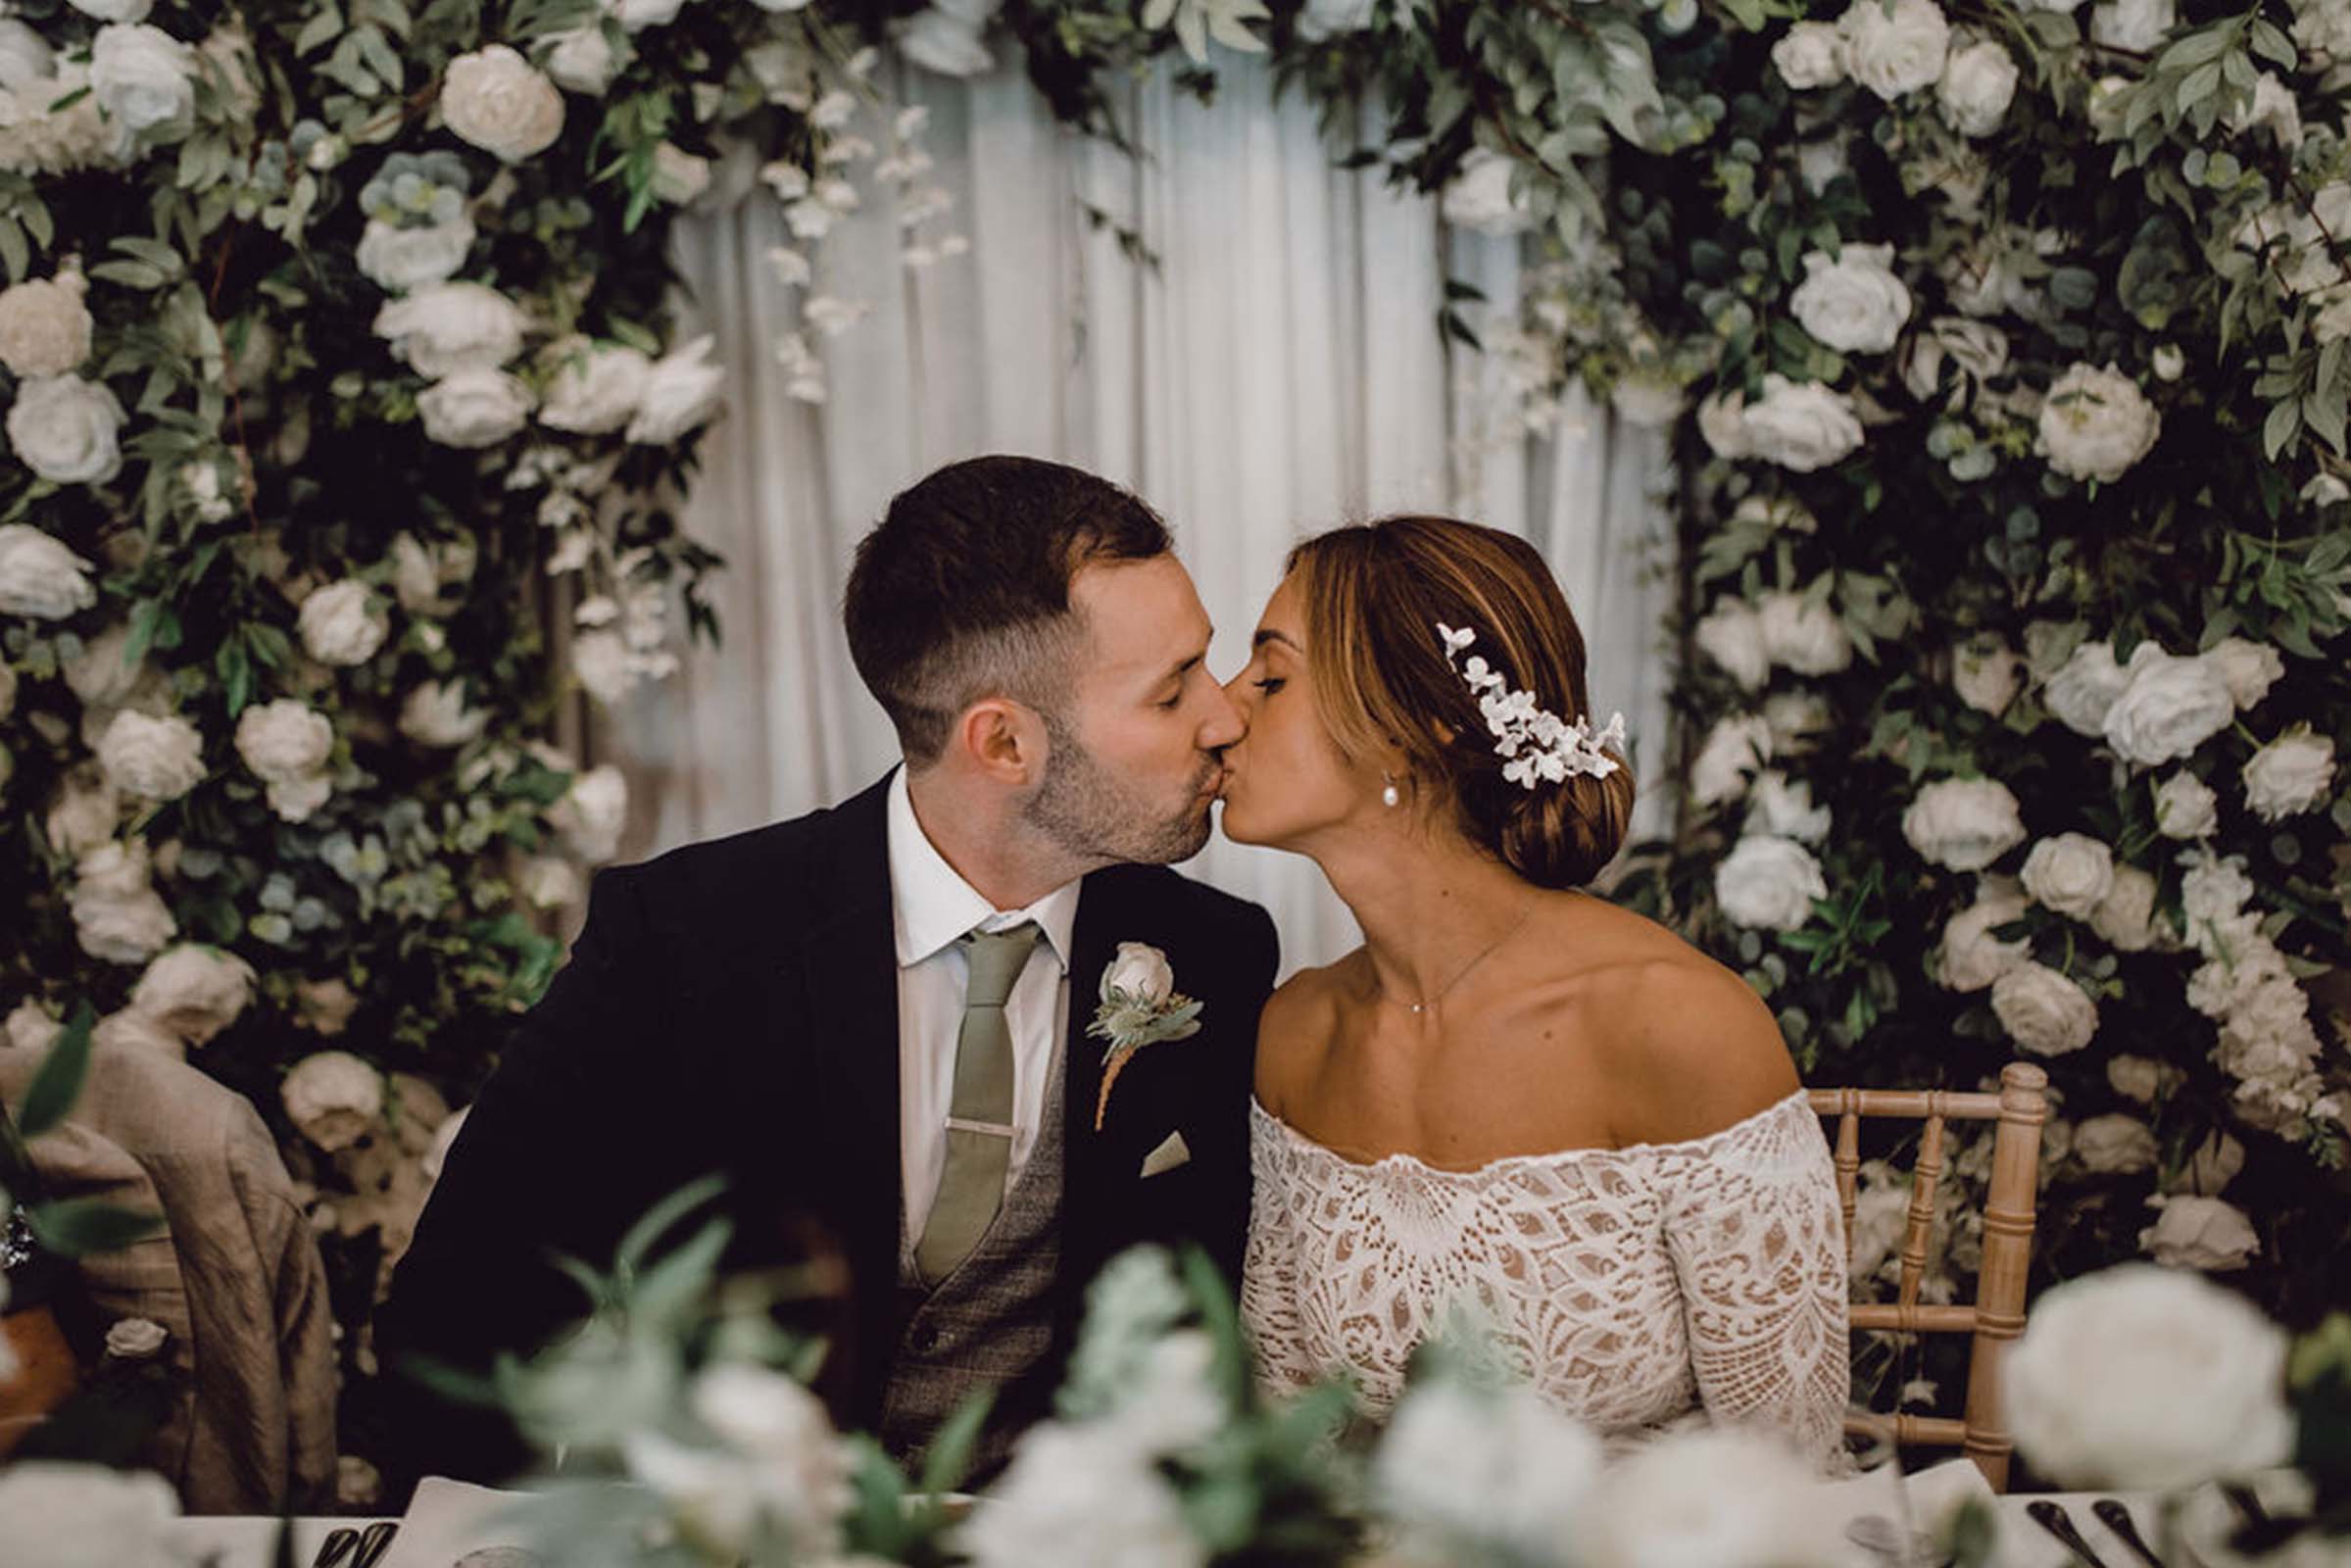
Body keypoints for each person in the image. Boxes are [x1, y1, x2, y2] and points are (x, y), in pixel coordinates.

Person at [375, 456, 1277, 1494]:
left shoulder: (1216, 955)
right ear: (1003, 743)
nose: (1224, 716)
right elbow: (459, 1319)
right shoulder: (680, 942)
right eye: (1172, 691)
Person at [1220, 514, 1849, 1462]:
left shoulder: (1675, 1025)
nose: (1223, 711)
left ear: (1411, 729)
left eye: (1270, 677)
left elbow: (1784, 1464)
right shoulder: (1297, 1032)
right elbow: (1289, 1430)